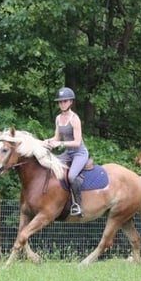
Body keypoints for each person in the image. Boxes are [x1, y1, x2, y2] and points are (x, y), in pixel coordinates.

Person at [44, 86, 89, 216]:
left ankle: (78, 205)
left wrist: (60, 143)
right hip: (68, 153)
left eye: (65, 101)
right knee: (50, 167)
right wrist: (45, 142)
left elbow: (77, 142)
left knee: (71, 176)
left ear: (70, 102)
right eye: (60, 101)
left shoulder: (75, 119)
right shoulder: (58, 118)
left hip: (79, 153)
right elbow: (56, 137)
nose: (62, 104)